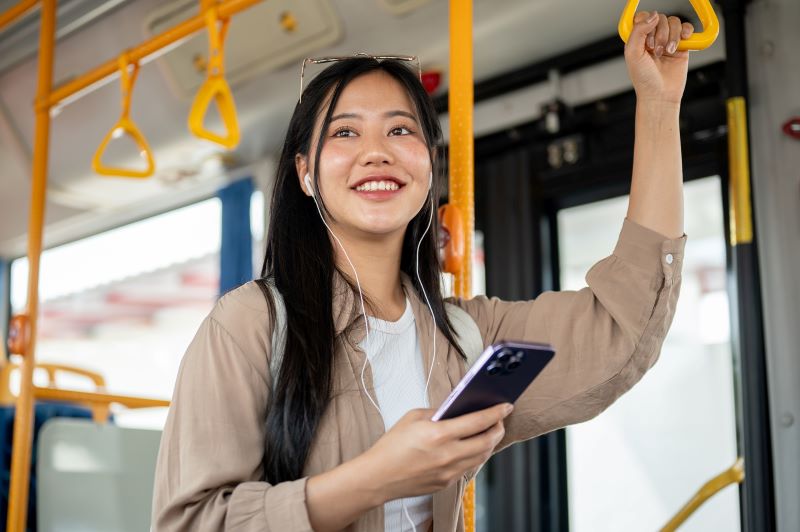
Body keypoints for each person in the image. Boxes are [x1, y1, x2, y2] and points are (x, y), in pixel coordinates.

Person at [152, 10, 692, 532]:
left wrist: (659, 105)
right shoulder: (250, 325)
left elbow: (618, 325)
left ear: (429, 166)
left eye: (400, 130)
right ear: (305, 173)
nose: (376, 153)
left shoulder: (464, 339)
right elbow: (192, 523)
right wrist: (376, 477)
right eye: (344, 133)